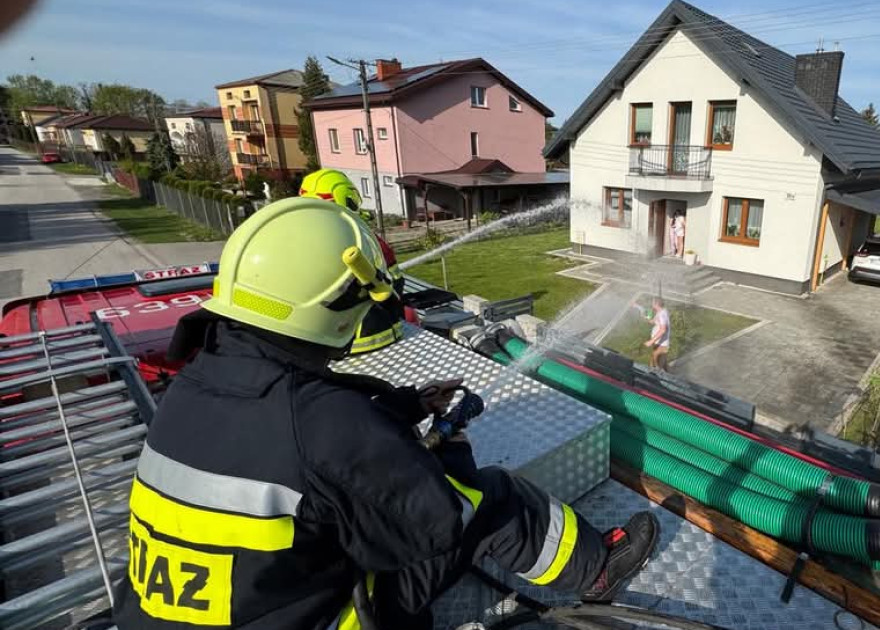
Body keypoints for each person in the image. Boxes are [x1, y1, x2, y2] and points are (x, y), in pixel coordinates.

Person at [113, 197, 659, 629]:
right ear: (329, 307)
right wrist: (447, 441)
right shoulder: (325, 425)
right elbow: (436, 520)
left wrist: (397, 409)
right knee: (490, 497)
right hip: (331, 619)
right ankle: (597, 570)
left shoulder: (193, 385)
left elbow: (297, 438)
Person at [299, 169, 405, 355]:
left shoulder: (295, 241)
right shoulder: (367, 242)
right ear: (345, 199)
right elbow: (394, 286)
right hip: (374, 337)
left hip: (320, 344)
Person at [635, 296, 671, 371]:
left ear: (656, 304)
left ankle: (655, 375)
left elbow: (663, 330)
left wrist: (651, 341)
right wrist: (643, 314)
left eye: (652, 302)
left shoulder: (662, 315)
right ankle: (663, 372)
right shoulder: (660, 311)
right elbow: (652, 321)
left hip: (662, 343)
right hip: (658, 341)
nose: (651, 304)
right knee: (658, 360)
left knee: (655, 360)